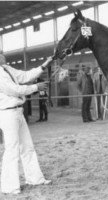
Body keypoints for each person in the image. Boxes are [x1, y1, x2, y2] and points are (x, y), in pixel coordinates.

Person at [0, 54, 53, 194]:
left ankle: (35, 178)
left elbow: (25, 76)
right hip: (7, 113)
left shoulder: (6, 68)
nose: (3, 55)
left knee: (27, 147)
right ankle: (9, 186)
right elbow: (14, 90)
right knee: (12, 149)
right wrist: (36, 87)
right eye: (0, 53)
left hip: (18, 111)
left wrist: (43, 65)